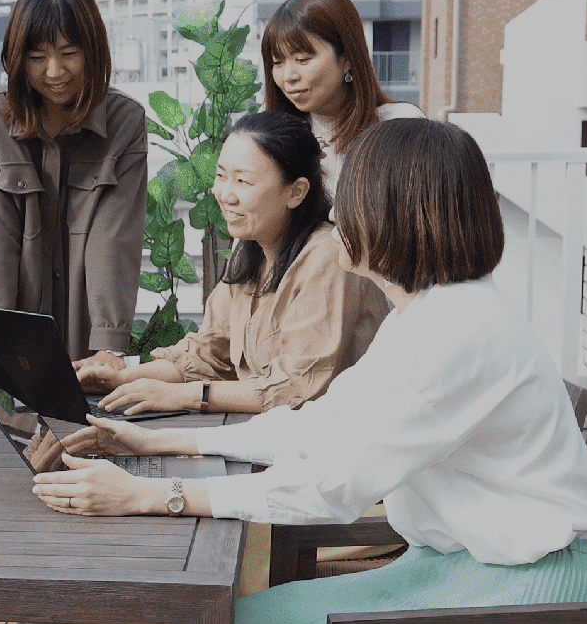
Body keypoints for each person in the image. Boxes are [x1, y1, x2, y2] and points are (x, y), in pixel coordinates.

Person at [36, 119, 587, 624]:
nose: (337, 213)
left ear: (399, 214)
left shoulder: (459, 332)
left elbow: (333, 484)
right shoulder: (429, 315)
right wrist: (153, 442)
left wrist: (153, 495)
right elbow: (319, 422)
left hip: (532, 611)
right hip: (466, 575)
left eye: (353, 197)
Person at [0, 0, 148, 624]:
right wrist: (4, 346)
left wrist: (106, 344)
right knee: (3, 447)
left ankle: (40, 602)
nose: (54, 71)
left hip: (84, 303)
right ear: (16, 57)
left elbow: (113, 238)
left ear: (93, 49)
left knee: (64, 443)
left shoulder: (124, 121)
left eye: (68, 52)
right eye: (37, 55)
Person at [75, 109, 387, 417]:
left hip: (337, 437)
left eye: (243, 181)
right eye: (221, 176)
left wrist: (182, 395)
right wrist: (122, 379)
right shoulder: (252, 249)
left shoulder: (328, 256)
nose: (225, 194)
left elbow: (296, 386)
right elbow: (208, 352)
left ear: (296, 192)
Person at [263, 0, 423, 188]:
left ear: (347, 58)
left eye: (302, 59)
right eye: (277, 63)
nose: (288, 76)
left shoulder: (400, 125)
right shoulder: (272, 138)